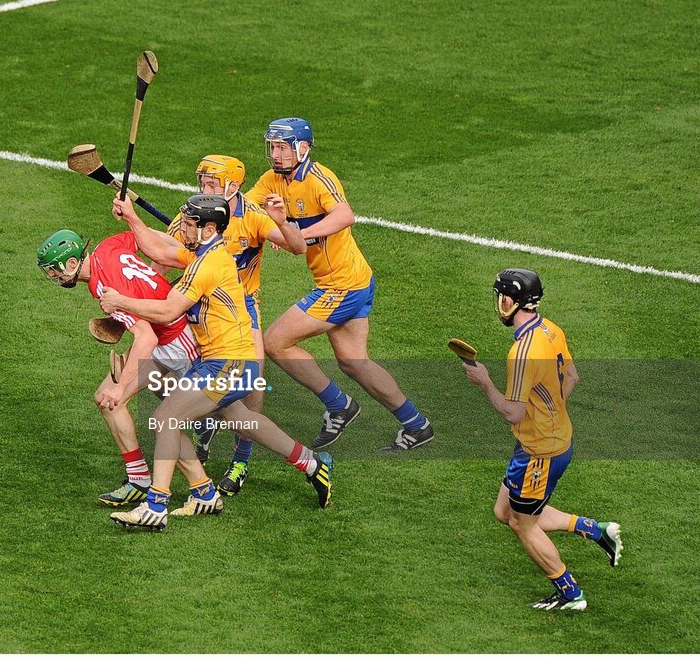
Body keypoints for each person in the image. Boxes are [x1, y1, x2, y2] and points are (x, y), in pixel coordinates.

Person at [101, 194, 333, 531]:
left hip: (228, 363)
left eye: (190, 224)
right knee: (240, 418)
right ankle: (311, 464)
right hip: (220, 360)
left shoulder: (206, 265)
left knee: (166, 417)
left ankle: (156, 505)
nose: (183, 229)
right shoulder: (205, 253)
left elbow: (168, 311)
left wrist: (121, 301)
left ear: (209, 229)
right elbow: (160, 251)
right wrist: (132, 218)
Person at [247, 117, 433, 451]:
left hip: (342, 286)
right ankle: (417, 424)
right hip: (355, 280)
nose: (275, 154)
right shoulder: (271, 179)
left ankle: (339, 405)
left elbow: (345, 215)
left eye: (283, 147)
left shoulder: (318, 178)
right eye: (272, 147)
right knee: (354, 362)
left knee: (275, 342)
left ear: (302, 149)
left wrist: (299, 235)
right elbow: (244, 208)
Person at [462, 268, 623, 611]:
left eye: (501, 296)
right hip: (545, 441)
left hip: (540, 452)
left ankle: (570, 593)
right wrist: (550, 414)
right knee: (504, 511)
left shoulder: (522, 353)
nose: (499, 302)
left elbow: (513, 412)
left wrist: (485, 382)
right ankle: (595, 530)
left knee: (522, 524)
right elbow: (572, 377)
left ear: (511, 301)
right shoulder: (551, 329)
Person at [160, 155, 304, 496]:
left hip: (242, 306)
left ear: (233, 186)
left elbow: (297, 247)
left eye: (212, 183)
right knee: (171, 366)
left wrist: (283, 223)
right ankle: (202, 418)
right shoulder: (194, 214)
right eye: (203, 182)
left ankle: (240, 460)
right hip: (200, 303)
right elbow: (163, 257)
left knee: (252, 384)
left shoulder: (252, 215)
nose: (205, 188)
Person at [36, 229, 199, 507]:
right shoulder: (108, 246)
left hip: (176, 343)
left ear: (72, 263)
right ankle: (139, 480)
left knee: (178, 418)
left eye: (54, 270)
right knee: (107, 399)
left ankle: (204, 488)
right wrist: (187, 253)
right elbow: (143, 235)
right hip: (164, 338)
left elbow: (146, 338)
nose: (53, 276)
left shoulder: (104, 288)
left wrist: (121, 386)